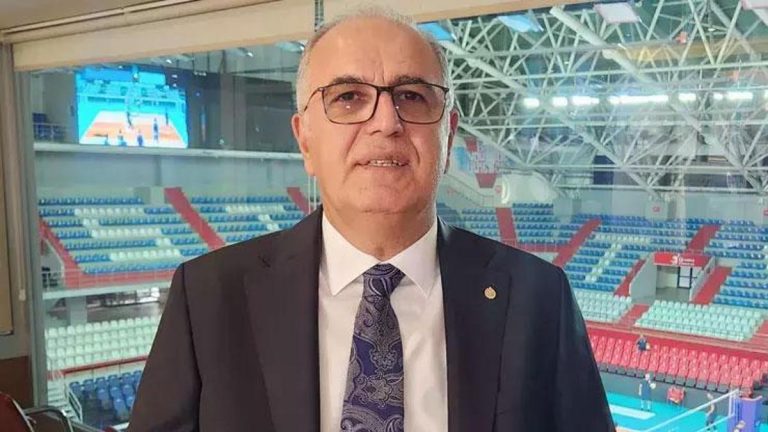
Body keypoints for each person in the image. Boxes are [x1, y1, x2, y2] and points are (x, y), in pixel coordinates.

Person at [128, 7, 613, 432]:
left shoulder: (538, 299)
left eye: (412, 96)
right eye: (348, 97)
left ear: (448, 135)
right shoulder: (208, 299)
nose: (386, 122)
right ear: (305, 138)